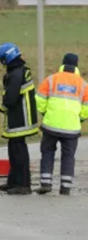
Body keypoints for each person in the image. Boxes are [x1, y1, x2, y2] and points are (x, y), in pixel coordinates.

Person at [35, 53, 88, 195]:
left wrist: (46, 113)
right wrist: (79, 118)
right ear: (76, 66)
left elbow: (39, 101)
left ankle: (46, 183)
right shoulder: (83, 84)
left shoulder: (51, 79)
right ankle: (65, 186)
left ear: (63, 64)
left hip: (51, 125)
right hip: (71, 127)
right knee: (68, 156)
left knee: (47, 152)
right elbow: (86, 108)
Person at [0, 42, 39, 195]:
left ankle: (23, 185)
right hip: (20, 119)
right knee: (14, 151)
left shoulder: (16, 74)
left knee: (18, 153)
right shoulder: (19, 71)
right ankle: (13, 181)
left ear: (8, 58)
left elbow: (10, 99)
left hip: (20, 120)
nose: (2, 63)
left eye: (2, 60)